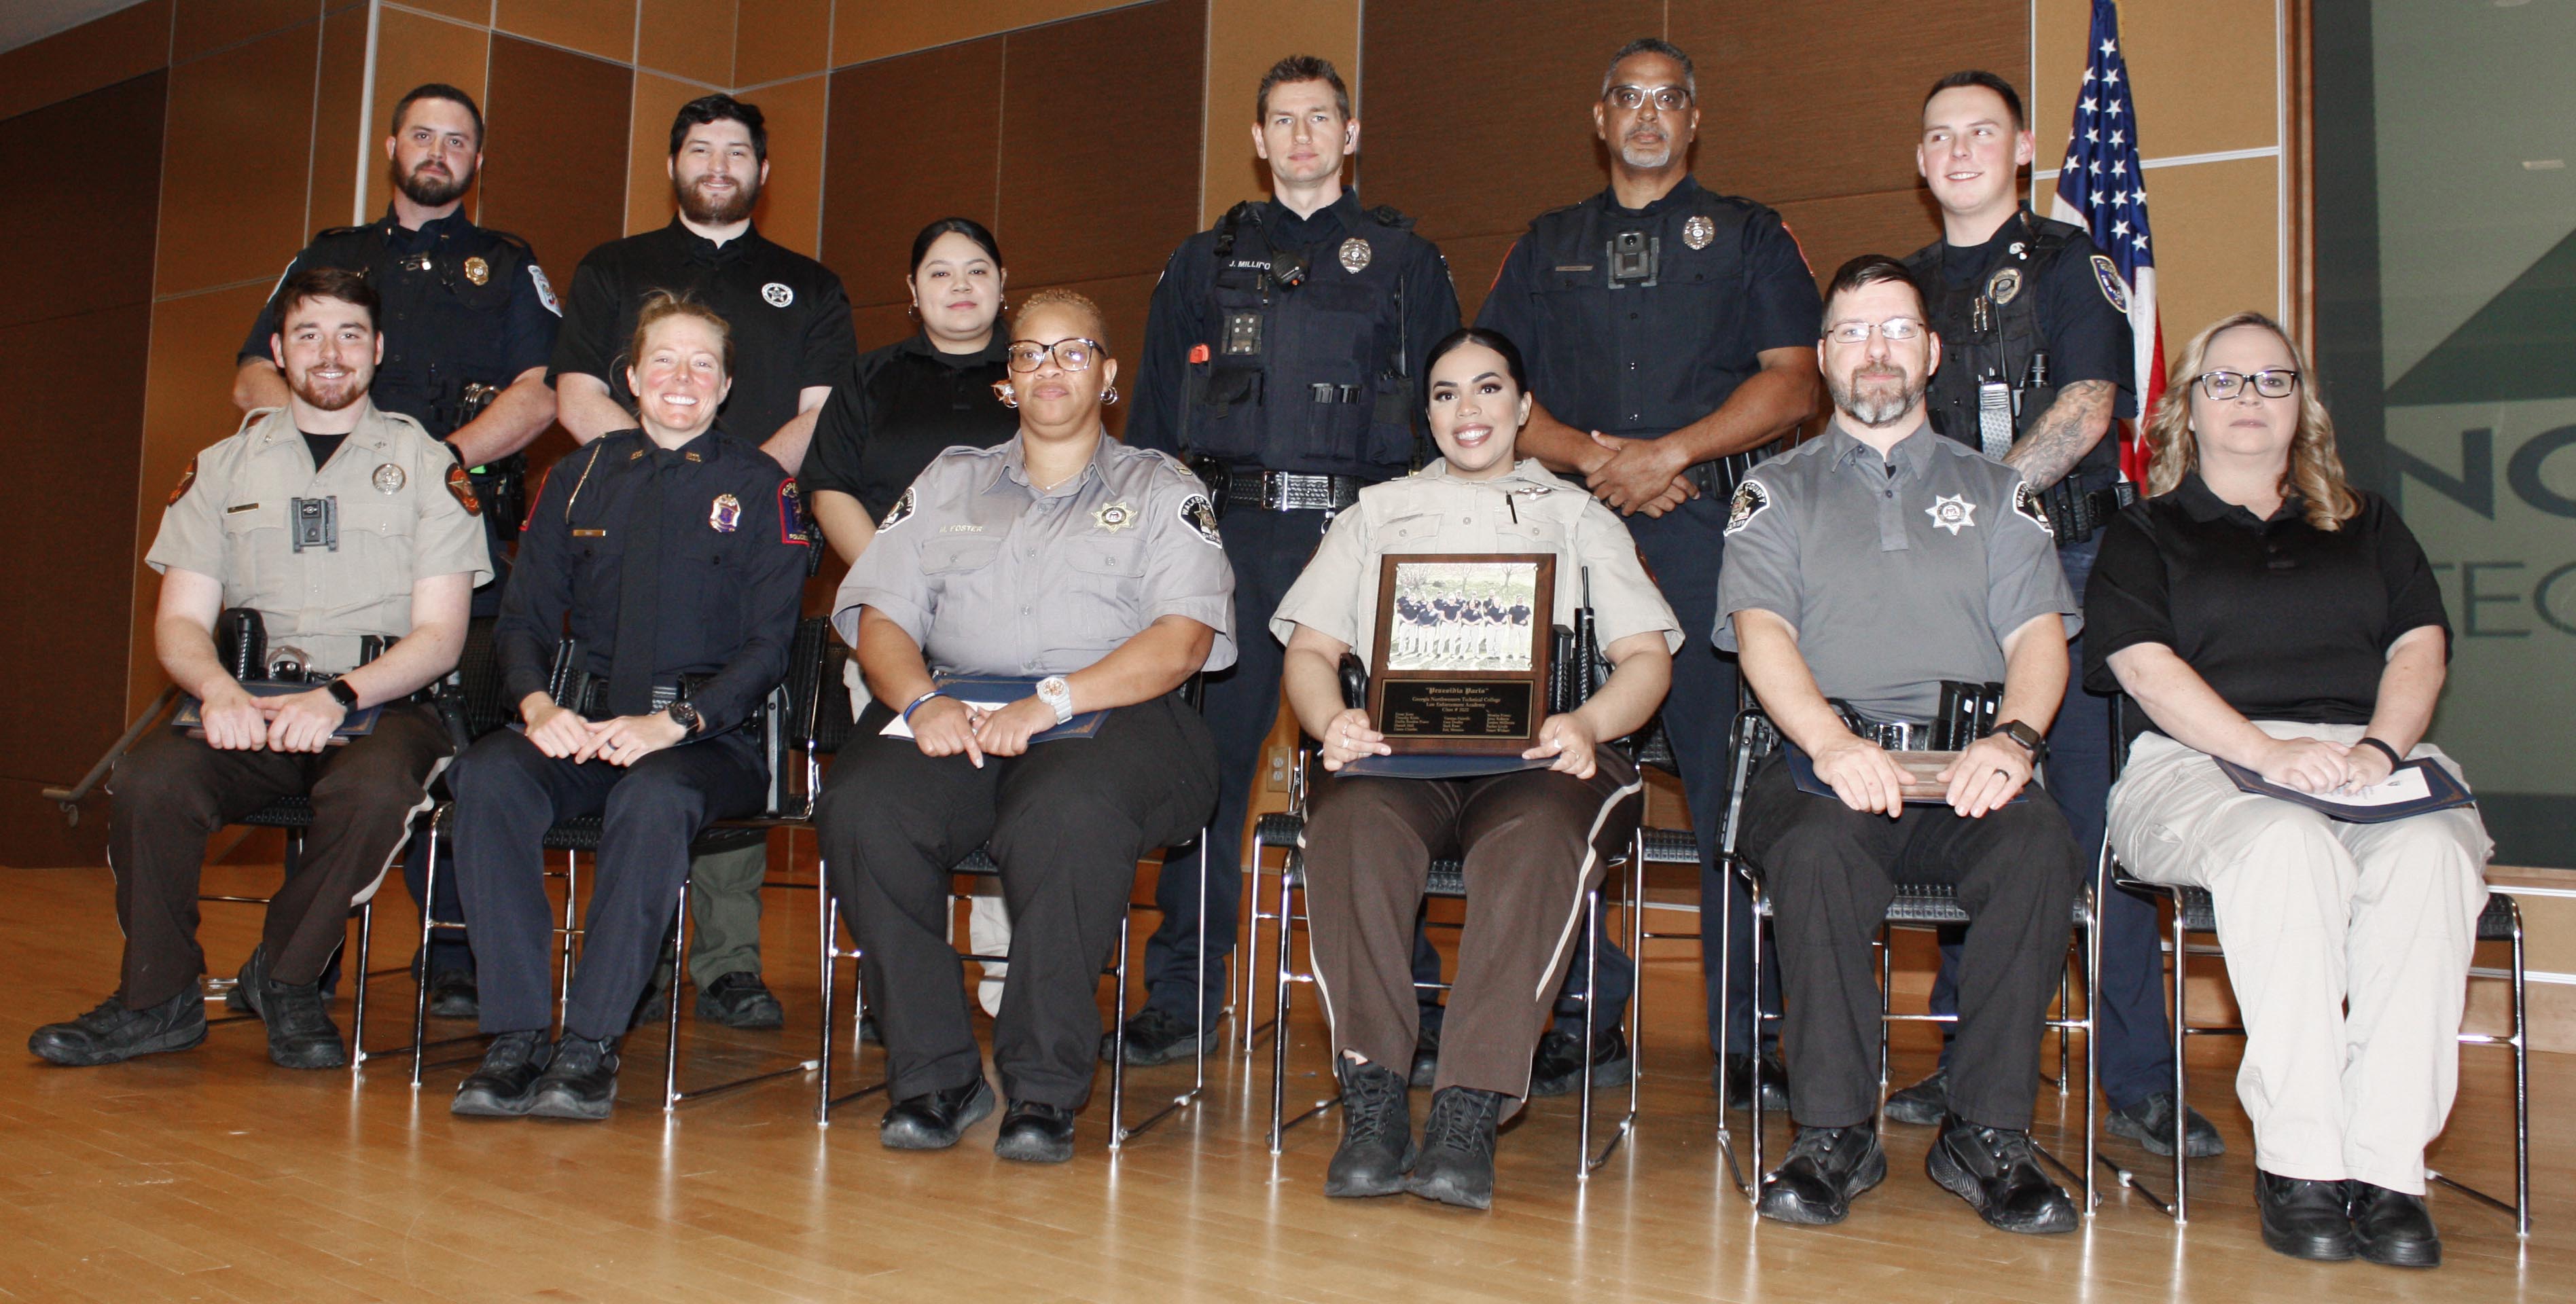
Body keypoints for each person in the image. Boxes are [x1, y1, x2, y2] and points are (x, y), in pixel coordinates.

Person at [2090, 312, 2487, 1269]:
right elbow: (2143, 669)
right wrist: (2266, 756)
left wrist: (2383, 751)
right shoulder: (2145, 530)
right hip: (2200, 764)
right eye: (2225, 382)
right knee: (2285, 845)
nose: (2250, 399)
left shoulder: (2368, 521)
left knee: (2433, 857)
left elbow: (2419, 648)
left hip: (2366, 758)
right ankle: (2303, 1161)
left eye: (2273, 380)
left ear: (2303, 402)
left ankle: (2386, 1168)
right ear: (2187, 408)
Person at [1474, 37, 1821, 1102]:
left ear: (1693, 119)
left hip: (1708, 532)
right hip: (1571, 539)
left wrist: (1671, 456)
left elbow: (1798, 381)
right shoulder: (1547, 243)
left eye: (1669, 100)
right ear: (1600, 115)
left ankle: (1743, 1031)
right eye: (1628, 98)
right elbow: (1490, 385)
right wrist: (1598, 460)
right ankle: (1582, 1007)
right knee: (1559, 770)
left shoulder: (1753, 234)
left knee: (1727, 784)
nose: (1648, 116)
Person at [814, 290, 1232, 1164]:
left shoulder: (1163, 487)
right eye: (1030, 354)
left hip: (1120, 715)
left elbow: (1182, 639)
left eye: (1073, 352)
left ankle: (1043, 1089)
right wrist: (921, 702)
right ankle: (935, 1075)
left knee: (1064, 812)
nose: (1050, 369)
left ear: (1109, 375)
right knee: (861, 804)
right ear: (1006, 380)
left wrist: (1057, 699)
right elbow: (879, 615)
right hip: (961, 708)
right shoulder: (949, 480)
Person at [31, 269, 486, 1070]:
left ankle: (284, 977)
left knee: (374, 791)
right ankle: (156, 1000)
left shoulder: (426, 465)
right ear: (278, 350)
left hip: (379, 700)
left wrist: (338, 695)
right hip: (249, 696)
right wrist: (215, 689)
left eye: (350, 334)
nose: (330, 353)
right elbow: (178, 619)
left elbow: (442, 637)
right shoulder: (222, 467)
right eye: (308, 334)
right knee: (151, 782)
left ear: (378, 351)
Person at [1882, 69, 2217, 1159]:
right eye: (1941, 136)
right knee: (1979, 814)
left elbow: (2088, 407)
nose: (1961, 150)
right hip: (1935, 579)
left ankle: (2137, 1077)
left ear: (2022, 149)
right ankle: (1974, 1062)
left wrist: (1979, 506)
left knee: (2091, 821)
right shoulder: (1904, 285)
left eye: (1983, 131)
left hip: (2063, 559)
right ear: (1923, 160)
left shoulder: (2072, 261)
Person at [1723, 255, 2083, 1235]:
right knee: (1815, 850)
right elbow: (1764, 637)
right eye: (1849, 333)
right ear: (1824, 359)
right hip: (1820, 763)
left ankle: (1987, 1132)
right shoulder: (1774, 490)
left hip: (1969, 760)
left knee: (2038, 846)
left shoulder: (1998, 493)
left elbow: (2037, 643)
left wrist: (2014, 740)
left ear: (1929, 351)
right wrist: (1834, 744)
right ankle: (1835, 1132)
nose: (1873, 350)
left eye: (1893, 330)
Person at [1278, 327, 1677, 1210]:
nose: (1469, 411)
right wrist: (1330, 719)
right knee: (1344, 829)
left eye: (1490, 389)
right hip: (1400, 757)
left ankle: (1467, 1107)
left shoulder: (1580, 518)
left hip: (1541, 759)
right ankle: (1374, 1100)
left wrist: (1589, 722)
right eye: (1447, 393)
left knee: (1535, 841)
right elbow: (1311, 652)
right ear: (1426, 414)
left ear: (1526, 408)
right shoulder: (1374, 514)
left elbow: (1646, 659)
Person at [1121, 54, 1461, 1072]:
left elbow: (1453, 418)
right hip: (1228, 539)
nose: (1304, 136)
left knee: (1378, 771)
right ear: (1260, 141)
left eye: (1322, 119)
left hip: (1363, 540)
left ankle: (1411, 998)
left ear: (1350, 138)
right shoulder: (1201, 262)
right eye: (1284, 120)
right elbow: (1149, 433)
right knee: (1208, 779)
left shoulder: (1406, 260)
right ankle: (1185, 994)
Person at [234, 82, 562, 1018]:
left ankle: (454, 945)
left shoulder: (506, 264)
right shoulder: (330, 255)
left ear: (476, 160)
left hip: (458, 536)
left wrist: (422, 466)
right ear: (391, 144)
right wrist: (336, 461)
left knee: (461, 739)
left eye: (457, 140)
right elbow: (255, 370)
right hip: (324, 551)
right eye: (422, 134)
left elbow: (541, 391)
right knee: (321, 731)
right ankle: (309, 957)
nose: (437, 150)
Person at [446, 294, 807, 1121]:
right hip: (582, 727)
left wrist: (672, 726)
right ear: (634, 378)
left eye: (703, 365)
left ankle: (590, 1044)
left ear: (725, 388)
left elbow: (769, 649)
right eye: (666, 362)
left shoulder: (762, 490)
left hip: (707, 743)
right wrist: (538, 707)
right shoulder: (575, 480)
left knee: (653, 796)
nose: (683, 378)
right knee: (488, 776)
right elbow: (526, 621)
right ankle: (514, 1034)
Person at [550, 93, 859, 1030]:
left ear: (764, 174)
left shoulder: (808, 284)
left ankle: (726, 962)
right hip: (620, 535)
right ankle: (631, 959)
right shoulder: (613, 267)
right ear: (673, 164)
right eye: (700, 149)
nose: (718, 165)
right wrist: (653, 481)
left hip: (750, 542)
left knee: (724, 721)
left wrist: (728, 491)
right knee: (623, 735)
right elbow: (572, 392)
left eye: (736, 153)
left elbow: (822, 411)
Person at [803, 216, 1024, 1017]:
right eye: (939, 272)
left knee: (1006, 794)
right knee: (895, 800)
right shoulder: (870, 379)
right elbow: (829, 489)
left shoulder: (1037, 374)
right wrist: (895, 590)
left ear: (1003, 283)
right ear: (911, 291)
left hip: (1012, 631)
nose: (959, 286)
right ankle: (902, 983)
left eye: (976, 271)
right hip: (890, 627)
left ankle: (1008, 972)